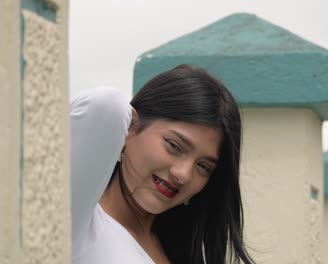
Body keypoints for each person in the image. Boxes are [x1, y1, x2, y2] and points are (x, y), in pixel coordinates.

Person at [71, 65, 255, 264]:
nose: (184, 174)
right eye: (174, 146)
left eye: (203, 167)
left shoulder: (179, 253)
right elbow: (106, 105)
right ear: (131, 127)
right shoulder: (78, 220)